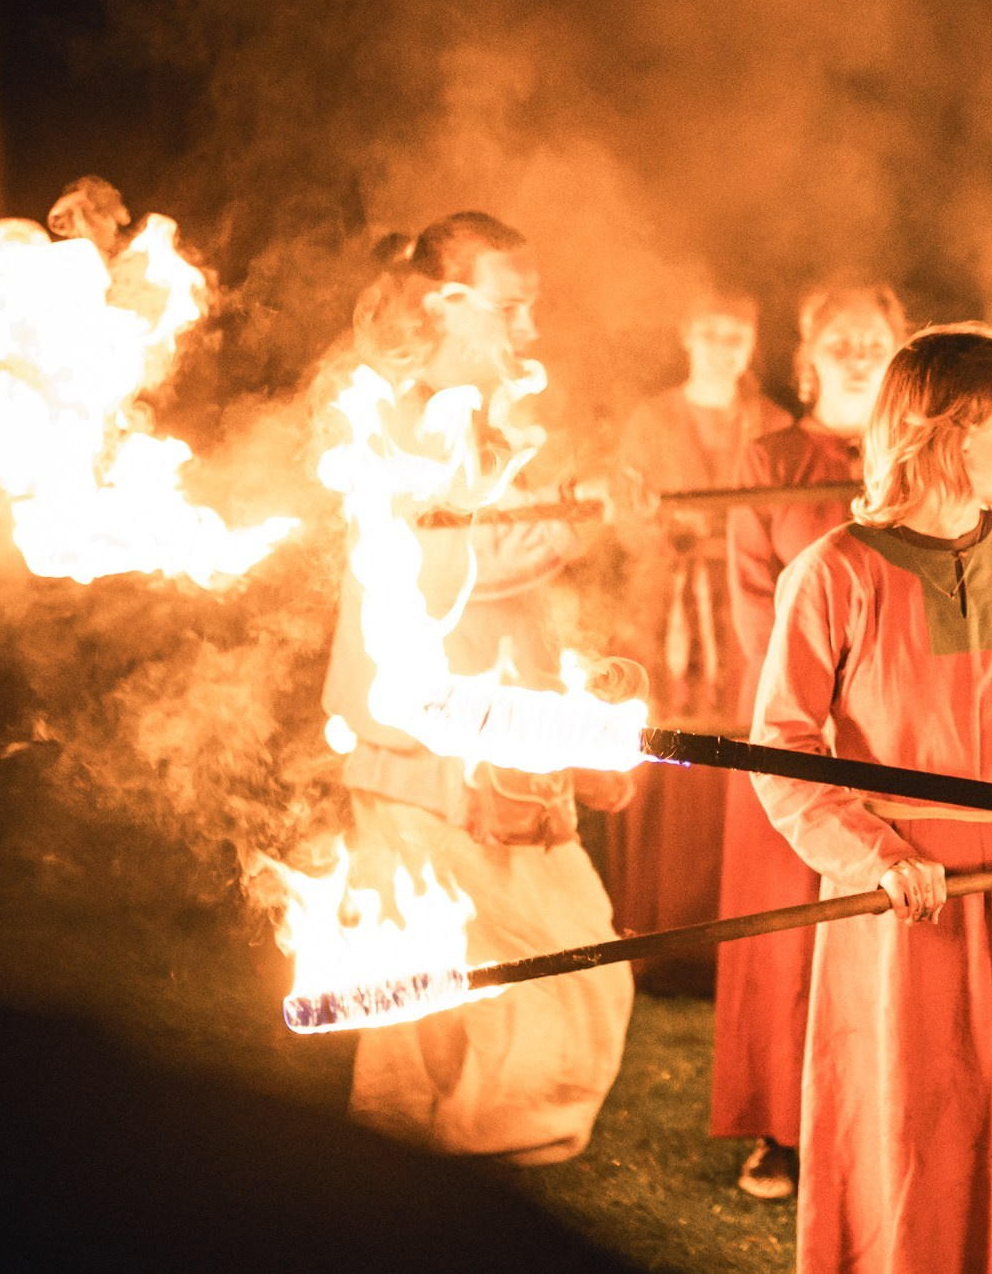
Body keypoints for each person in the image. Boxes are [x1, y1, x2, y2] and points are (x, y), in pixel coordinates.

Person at [750, 323, 992, 1274]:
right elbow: (784, 748)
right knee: (909, 1130)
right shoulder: (832, 571)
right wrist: (876, 853)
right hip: (904, 904)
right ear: (953, 428)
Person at [318, 211, 634, 1166]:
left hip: (504, 726)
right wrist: (584, 516)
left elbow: (527, 558)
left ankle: (477, 1157)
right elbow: (450, 574)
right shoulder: (396, 421)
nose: (526, 330)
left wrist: (594, 498)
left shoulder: (499, 417)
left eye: (532, 307)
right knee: (431, 985)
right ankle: (425, 1176)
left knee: (569, 955)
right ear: (447, 303)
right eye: (509, 307)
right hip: (420, 741)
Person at [713, 277, 908, 1198]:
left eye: (877, 338)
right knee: (785, 932)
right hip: (794, 724)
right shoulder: (773, 455)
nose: (861, 353)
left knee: (888, 918)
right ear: (810, 353)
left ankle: (880, 1114)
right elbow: (754, 588)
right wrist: (808, 708)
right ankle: (780, 1130)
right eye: (844, 339)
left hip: (897, 726)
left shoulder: (918, 450)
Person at [602, 284, 792, 994]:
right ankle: (657, 941)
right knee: (663, 764)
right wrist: (669, 532)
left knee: (734, 763)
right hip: (666, 617)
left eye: (735, 335)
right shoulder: (651, 421)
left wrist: (731, 541)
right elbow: (625, 516)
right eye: (709, 332)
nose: (722, 347)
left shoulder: (772, 421)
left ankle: (732, 938)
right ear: (687, 335)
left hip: (744, 616)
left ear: (751, 343)